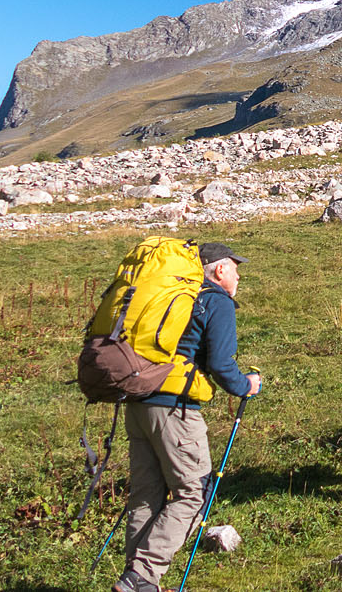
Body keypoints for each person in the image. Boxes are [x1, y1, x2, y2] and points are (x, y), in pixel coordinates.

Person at [114, 242, 261, 592]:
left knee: (146, 496)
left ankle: (137, 583)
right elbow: (221, 364)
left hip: (138, 403)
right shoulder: (217, 301)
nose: (239, 274)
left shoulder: (171, 296)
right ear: (219, 270)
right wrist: (246, 386)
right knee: (194, 494)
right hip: (175, 409)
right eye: (235, 267)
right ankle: (141, 577)